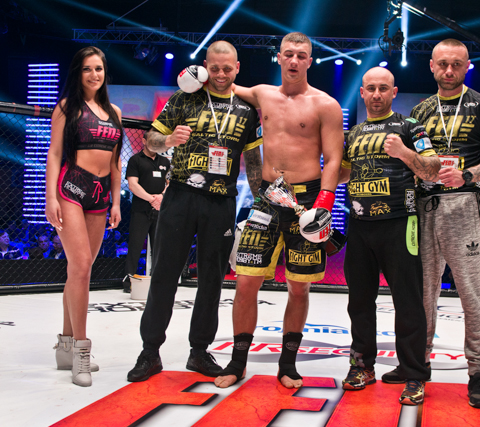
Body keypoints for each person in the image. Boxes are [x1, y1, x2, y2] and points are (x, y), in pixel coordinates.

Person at [127, 41, 263, 383]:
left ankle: (199, 351)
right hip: (181, 196)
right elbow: (151, 140)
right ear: (205, 65)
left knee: (212, 280)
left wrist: (261, 201)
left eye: (227, 68)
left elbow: (253, 161)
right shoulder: (184, 97)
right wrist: (169, 140)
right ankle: (150, 352)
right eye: (214, 68)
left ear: (237, 68)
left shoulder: (247, 109)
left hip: (221, 201)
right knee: (164, 275)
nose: (220, 74)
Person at [214, 32, 344, 390]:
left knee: (299, 288)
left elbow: (334, 158)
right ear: (279, 57)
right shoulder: (262, 94)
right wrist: (197, 74)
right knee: (245, 281)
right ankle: (237, 361)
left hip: (308, 200)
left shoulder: (326, 104)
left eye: (301, 55)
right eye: (289, 54)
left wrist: (325, 202)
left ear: (310, 61)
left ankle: (288, 365)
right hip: (268, 198)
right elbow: (223, 82)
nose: (294, 60)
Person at [384, 38, 480, 410]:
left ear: (468, 65)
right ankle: (418, 364)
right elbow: (411, 162)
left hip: (464, 204)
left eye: (456, 64)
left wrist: (467, 175)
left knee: (472, 293)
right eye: (443, 64)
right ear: (432, 66)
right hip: (425, 206)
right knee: (423, 294)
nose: (449, 70)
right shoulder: (420, 110)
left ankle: (477, 371)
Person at [338, 67, 440, 405]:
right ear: (362, 93)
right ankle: (361, 366)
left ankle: (414, 374)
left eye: (383, 88)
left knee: (408, 301)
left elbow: (433, 169)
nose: (377, 94)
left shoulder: (410, 127)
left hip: (400, 223)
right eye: (371, 88)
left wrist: (405, 153)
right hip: (360, 225)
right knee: (359, 301)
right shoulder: (353, 133)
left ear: (394, 92)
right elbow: (343, 173)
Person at [45, 46, 123, 387]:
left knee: (80, 271)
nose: (94, 74)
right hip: (71, 189)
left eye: (99, 69)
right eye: (88, 69)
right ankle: (80, 351)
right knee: (80, 268)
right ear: (78, 72)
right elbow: (55, 153)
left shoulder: (114, 111)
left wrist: (116, 202)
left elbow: (116, 162)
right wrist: (50, 197)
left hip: (101, 195)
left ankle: (64, 346)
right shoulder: (66, 107)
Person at [122, 131, 170, 292]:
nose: (155, 143)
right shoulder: (135, 160)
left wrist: (161, 197)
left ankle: (159, 282)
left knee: (159, 247)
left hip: (160, 209)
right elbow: (132, 184)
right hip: (141, 209)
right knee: (135, 246)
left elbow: (169, 183)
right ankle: (129, 281)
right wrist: (151, 199)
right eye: (152, 140)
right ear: (143, 141)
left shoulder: (164, 161)